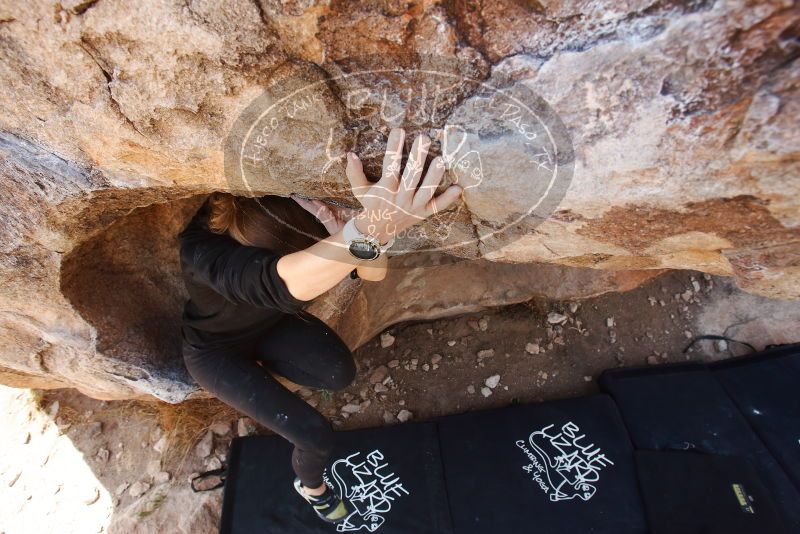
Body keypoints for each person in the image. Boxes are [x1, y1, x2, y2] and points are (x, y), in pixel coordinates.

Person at [178, 128, 463, 524]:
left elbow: (372, 272)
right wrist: (370, 230)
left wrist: (367, 231)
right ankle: (311, 488)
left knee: (338, 371)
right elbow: (276, 281)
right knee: (314, 435)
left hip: (270, 324)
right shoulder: (203, 251)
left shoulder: (295, 210)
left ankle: (261, 378)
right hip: (214, 350)